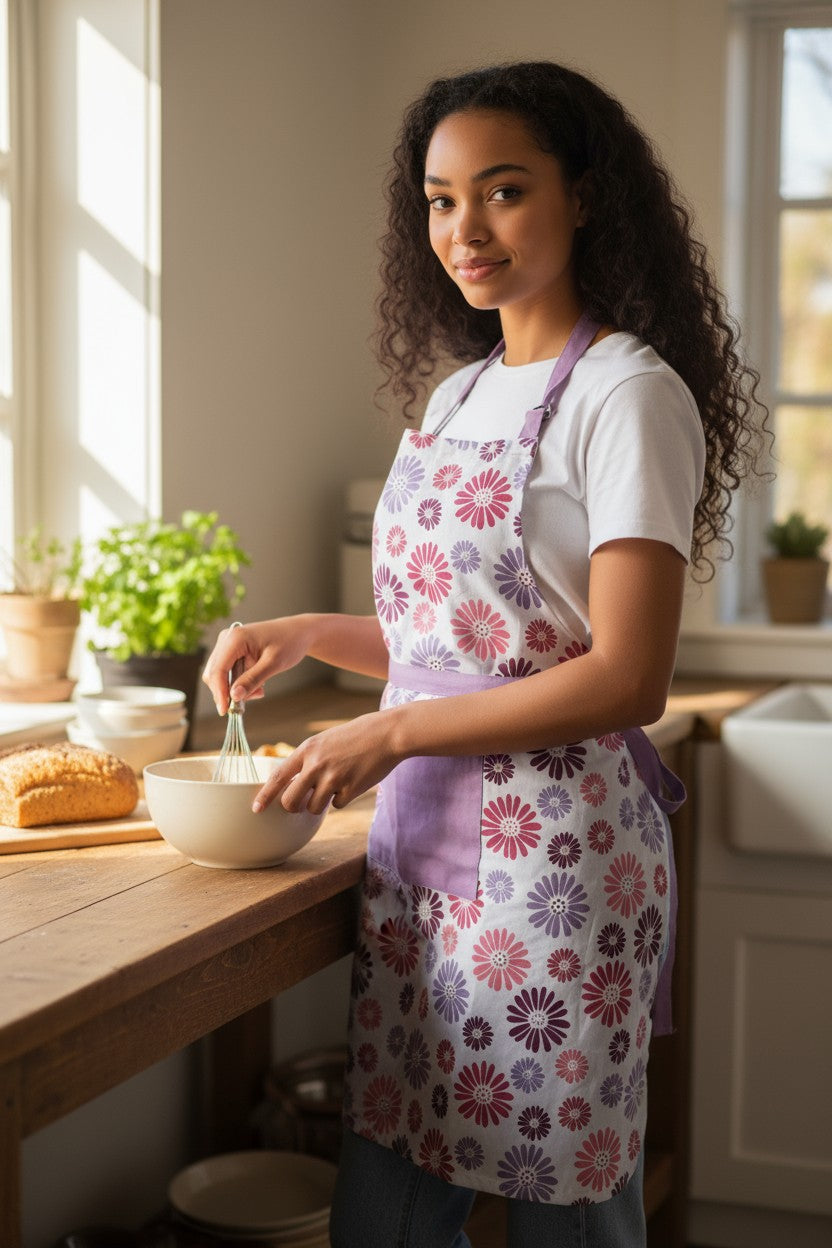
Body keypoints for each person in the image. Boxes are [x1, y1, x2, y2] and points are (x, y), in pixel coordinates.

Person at [202, 60, 767, 1248]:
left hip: (556, 871)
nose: (466, 229)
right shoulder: (460, 393)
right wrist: (304, 632)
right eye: (440, 198)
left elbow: (626, 675)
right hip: (423, 867)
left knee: (568, 1218)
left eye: (502, 191)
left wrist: (388, 729)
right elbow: (463, 647)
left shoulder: (627, 397)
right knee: (388, 1215)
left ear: (585, 197)